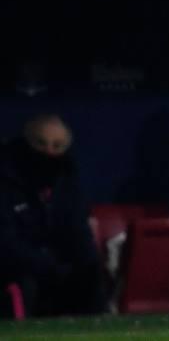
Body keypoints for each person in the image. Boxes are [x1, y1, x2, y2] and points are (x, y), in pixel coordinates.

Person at [0, 114, 105, 317]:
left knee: (88, 276)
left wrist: (88, 267)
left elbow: (78, 231)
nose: (49, 152)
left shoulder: (67, 181)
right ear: (27, 143)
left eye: (57, 146)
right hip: (14, 268)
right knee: (26, 282)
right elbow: (6, 241)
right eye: (41, 144)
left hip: (53, 266)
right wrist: (48, 266)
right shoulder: (6, 180)